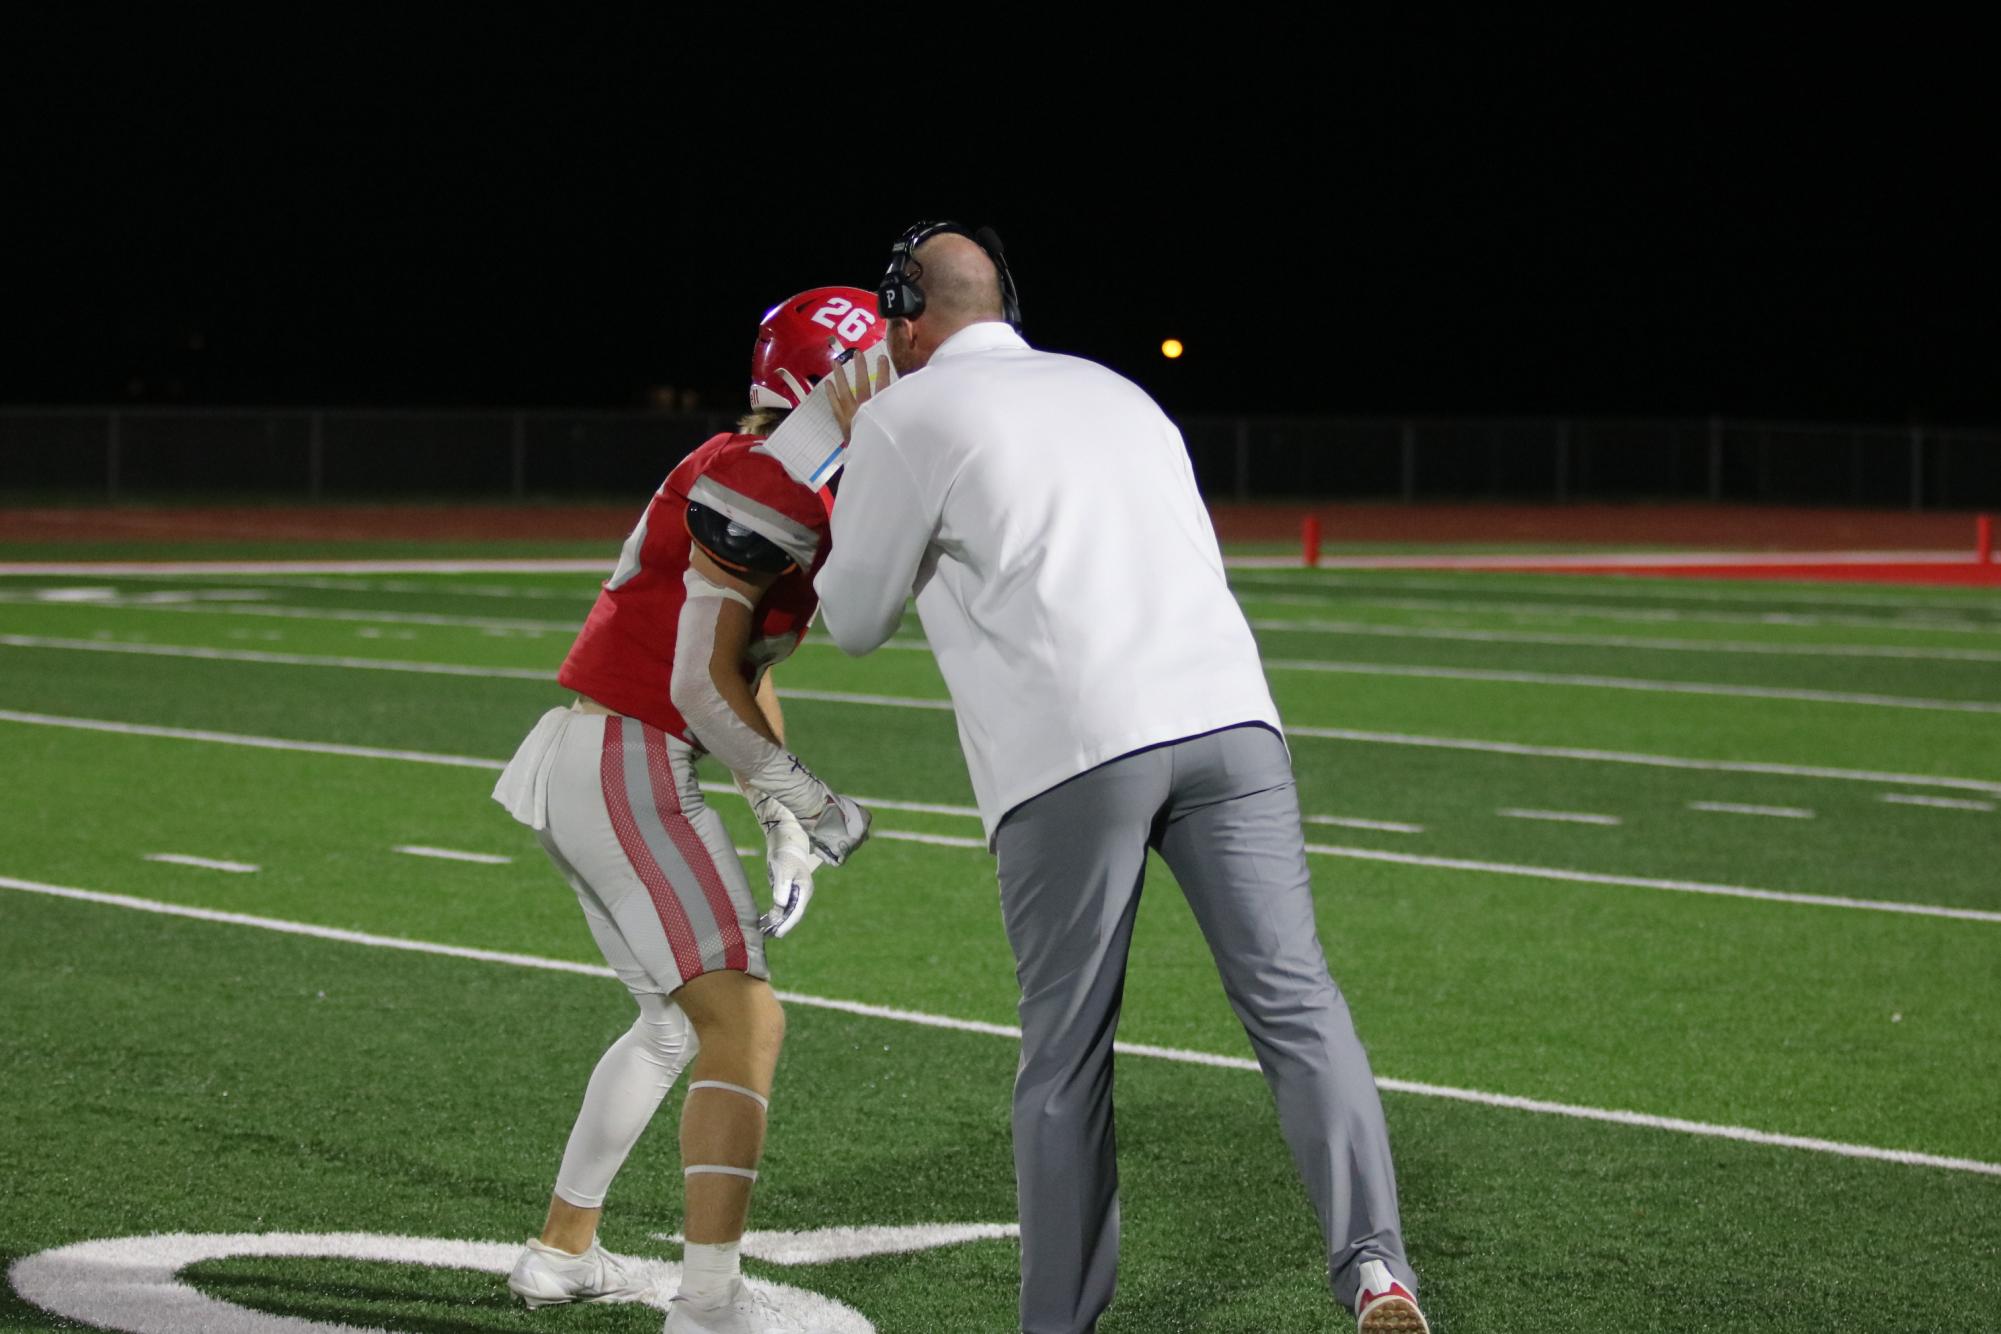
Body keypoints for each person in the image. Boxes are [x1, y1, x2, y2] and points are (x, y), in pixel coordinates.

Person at [814, 225, 1430, 1334]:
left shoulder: (904, 412)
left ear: (903, 317)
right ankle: (1378, 1268)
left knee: (1065, 1053)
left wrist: (856, 448)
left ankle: (1060, 1323)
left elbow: (851, 621)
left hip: (1075, 742)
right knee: (1298, 1005)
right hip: (1232, 716)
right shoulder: (1118, 386)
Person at [490, 288, 880, 1333]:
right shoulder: (757, 477)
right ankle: (709, 1300)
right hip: (630, 753)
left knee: (673, 1026)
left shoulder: (749, 465)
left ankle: (559, 1252)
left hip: (600, 752)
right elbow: (705, 681)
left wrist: (774, 811)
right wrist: (806, 798)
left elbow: (737, 659)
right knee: (745, 1019)